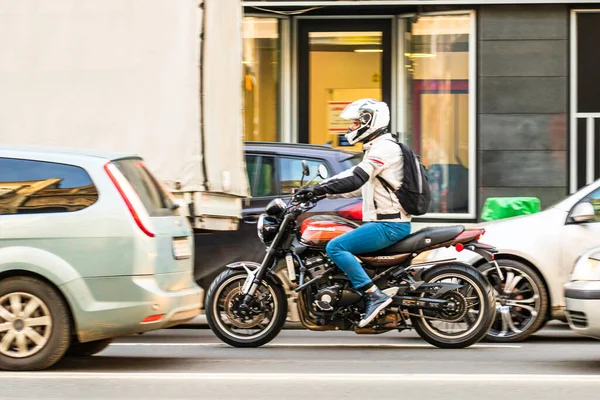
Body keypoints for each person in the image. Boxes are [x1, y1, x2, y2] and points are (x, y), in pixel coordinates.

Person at [296, 98, 411, 328]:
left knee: (335, 247)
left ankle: (373, 294)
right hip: (382, 223)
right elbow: (358, 185)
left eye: (356, 122)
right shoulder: (377, 148)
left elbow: (356, 177)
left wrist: (320, 189)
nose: (351, 128)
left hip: (388, 225)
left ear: (370, 122)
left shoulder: (384, 148)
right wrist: (319, 192)